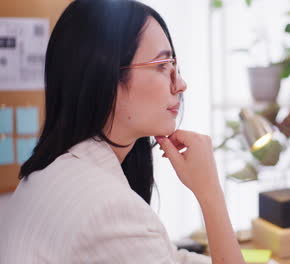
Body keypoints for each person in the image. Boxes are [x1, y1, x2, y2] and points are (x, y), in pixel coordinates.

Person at [0, 0, 245, 263]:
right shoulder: (110, 209)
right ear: (105, 76)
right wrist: (210, 195)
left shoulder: (48, 172)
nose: (181, 84)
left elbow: (168, 257)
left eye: (175, 66)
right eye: (162, 65)